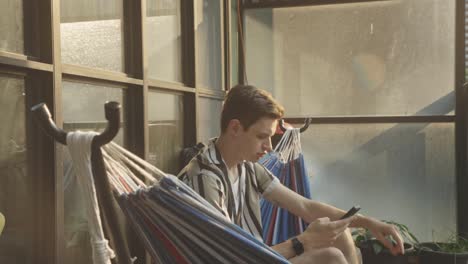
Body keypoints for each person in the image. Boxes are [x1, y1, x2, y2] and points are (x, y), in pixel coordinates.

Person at [178, 84, 404, 264]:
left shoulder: (246, 166)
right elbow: (230, 257)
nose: (269, 146)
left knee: (340, 233)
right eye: (261, 136)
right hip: (241, 259)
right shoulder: (205, 178)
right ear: (235, 128)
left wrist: (366, 223)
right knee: (331, 257)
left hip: (255, 255)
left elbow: (305, 207)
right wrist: (303, 242)